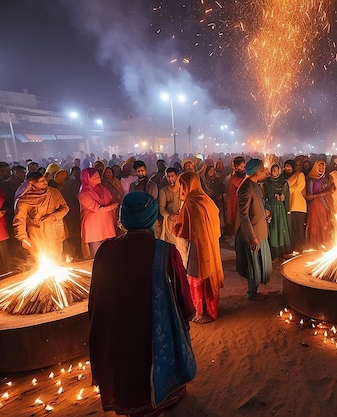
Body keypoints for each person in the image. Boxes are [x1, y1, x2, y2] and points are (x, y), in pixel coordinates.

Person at [89, 192, 196, 417]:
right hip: (154, 327)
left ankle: (129, 403)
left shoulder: (106, 250)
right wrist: (187, 314)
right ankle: (163, 399)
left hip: (117, 327)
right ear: (152, 217)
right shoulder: (165, 252)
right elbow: (180, 293)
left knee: (126, 363)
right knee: (150, 360)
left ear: (124, 217)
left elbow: (96, 295)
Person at [174, 171, 224, 323]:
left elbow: (184, 232)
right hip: (211, 245)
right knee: (209, 275)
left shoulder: (190, 204)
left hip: (197, 247)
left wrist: (176, 223)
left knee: (196, 276)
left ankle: (199, 312)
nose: (181, 189)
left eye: (182, 185)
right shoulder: (206, 200)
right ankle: (211, 310)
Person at [235, 158, 272, 300]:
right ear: (256, 172)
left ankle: (254, 290)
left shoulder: (255, 184)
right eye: (263, 171)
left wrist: (266, 215)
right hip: (253, 234)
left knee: (260, 265)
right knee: (253, 266)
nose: (265, 173)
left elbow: (257, 207)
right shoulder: (245, 188)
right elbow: (243, 216)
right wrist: (252, 237)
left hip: (260, 231)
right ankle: (252, 293)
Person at [13, 172, 69, 260]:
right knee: (42, 258)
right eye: (41, 181)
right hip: (37, 232)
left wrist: (53, 216)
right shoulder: (24, 199)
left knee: (57, 257)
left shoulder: (54, 192)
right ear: (31, 183)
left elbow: (65, 208)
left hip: (55, 229)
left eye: (45, 179)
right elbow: (20, 219)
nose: (45, 182)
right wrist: (23, 237)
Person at [78, 168, 119, 258]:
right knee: (97, 254)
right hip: (93, 226)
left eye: (98, 175)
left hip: (105, 223)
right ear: (88, 179)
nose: (98, 177)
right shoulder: (84, 193)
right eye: (95, 176)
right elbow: (97, 209)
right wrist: (113, 206)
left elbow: (111, 198)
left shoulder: (101, 188)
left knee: (108, 252)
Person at [305, 159, 335, 248]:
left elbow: (332, 190)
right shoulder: (311, 180)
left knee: (325, 224)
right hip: (315, 205)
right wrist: (323, 194)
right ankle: (315, 244)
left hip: (326, 204)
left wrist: (324, 193)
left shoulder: (327, 179)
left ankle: (324, 243)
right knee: (315, 224)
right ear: (315, 167)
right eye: (319, 166)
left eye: (323, 166)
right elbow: (309, 196)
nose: (321, 168)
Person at [265, 164, 292, 259]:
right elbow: (265, 195)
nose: (276, 172)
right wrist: (273, 197)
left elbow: (286, 194)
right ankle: (274, 252)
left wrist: (283, 197)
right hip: (271, 208)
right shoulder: (267, 182)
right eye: (274, 170)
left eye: (277, 170)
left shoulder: (283, 182)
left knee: (281, 228)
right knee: (273, 229)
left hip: (280, 209)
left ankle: (283, 251)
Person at [284, 159, 307, 252]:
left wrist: (285, 191)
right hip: (290, 206)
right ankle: (294, 248)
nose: (287, 168)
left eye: (289, 166)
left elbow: (299, 187)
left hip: (299, 206)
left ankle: (301, 249)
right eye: (286, 166)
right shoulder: (284, 178)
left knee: (299, 229)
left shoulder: (299, 175)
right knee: (292, 229)